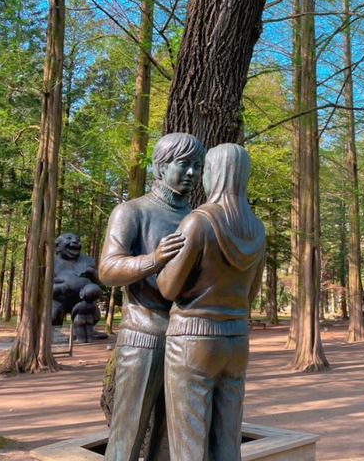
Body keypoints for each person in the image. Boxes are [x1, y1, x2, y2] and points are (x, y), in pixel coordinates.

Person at [99, 132, 205, 461]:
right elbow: (107, 270)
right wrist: (154, 260)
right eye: (184, 164)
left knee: (171, 437)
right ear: (160, 167)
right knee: (128, 433)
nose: (192, 173)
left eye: (198, 167)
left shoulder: (197, 220)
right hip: (144, 336)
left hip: (187, 341)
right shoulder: (131, 212)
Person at [157, 143, 265, 461]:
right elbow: (251, 294)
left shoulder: (198, 222)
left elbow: (168, 287)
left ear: (213, 174)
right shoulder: (257, 228)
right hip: (236, 339)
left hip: (193, 338)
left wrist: (161, 258)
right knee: (227, 439)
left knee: (189, 440)